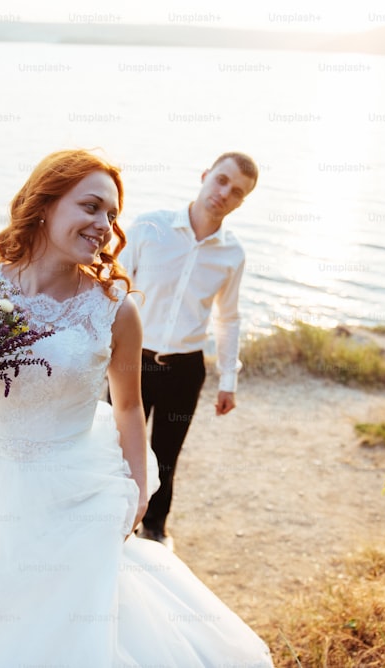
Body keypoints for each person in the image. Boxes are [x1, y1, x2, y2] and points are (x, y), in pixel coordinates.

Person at [0, 149, 274, 666]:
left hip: (76, 489)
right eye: (90, 206)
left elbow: (128, 408)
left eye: (111, 214)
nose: (104, 224)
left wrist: (138, 491)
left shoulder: (115, 309)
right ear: (45, 203)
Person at [122, 151, 258, 549]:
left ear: (241, 202)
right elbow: (115, 286)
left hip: (184, 369)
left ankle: (154, 530)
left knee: (165, 456)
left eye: (236, 192)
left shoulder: (232, 255)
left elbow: (227, 319)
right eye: (221, 180)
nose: (224, 193)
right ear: (205, 175)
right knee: (118, 449)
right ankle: (114, 522)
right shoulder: (150, 227)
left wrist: (228, 380)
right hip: (131, 360)